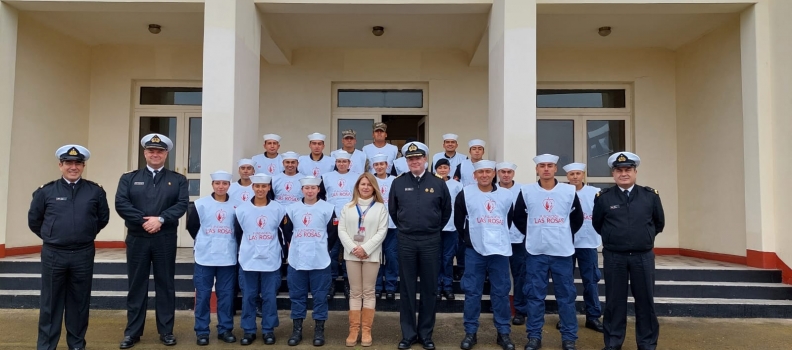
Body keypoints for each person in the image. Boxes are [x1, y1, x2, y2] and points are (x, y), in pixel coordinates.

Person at [28, 145, 109, 350]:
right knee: (50, 303)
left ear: (83, 166)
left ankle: (76, 345)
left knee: (79, 304)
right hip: (54, 254)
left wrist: (84, 234)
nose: (73, 167)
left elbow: (102, 219)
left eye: (78, 163)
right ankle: (46, 346)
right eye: (69, 163)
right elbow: (34, 221)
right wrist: (53, 236)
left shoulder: (95, 191)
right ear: (60, 165)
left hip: (82, 254)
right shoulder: (46, 191)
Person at [115, 133, 189, 349]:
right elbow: (122, 203)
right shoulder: (129, 178)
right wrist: (144, 221)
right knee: (136, 285)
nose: (155, 154)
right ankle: (133, 332)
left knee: (165, 285)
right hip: (138, 238)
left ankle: (166, 331)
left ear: (166, 154)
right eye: (151, 151)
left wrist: (161, 219)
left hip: (164, 238)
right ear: (145, 153)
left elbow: (182, 204)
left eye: (160, 151)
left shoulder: (178, 179)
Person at [593, 152, 664, 350]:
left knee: (646, 302)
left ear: (635, 172)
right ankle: (613, 343)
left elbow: (658, 223)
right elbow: (598, 224)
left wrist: (643, 239)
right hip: (615, 257)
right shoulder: (604, 198)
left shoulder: (650, 196)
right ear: (613, 174)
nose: (623, 174)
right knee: (615, 302)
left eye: (628, 170)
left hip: (643, 256)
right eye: (619, 170)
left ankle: (647, 343)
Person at [513, 154, 584, 350]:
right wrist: (536, 233)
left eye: (550, 165)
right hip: (536, 252)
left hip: (562, 252)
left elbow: (577, 219)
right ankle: (534, 336)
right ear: (537, 169)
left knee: (566, 296)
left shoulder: (568, 191)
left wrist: (561, 234)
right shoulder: (527, 191)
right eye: (542, 166)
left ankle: (569, 338)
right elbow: (518, 217)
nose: (546, 169)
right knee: (534, 296)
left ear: (555, 169)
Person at [388, 141, 452, 350]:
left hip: (430, 241)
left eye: (418, 158)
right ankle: (408, 334)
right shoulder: (398, 183)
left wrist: (432, 228)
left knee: (429, 288)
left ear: (425, 160)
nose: (414, 161)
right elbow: (393, 210)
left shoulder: (438, 182)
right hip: (406, 240)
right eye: (410, 159)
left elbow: (446, 211)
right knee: (406, 288)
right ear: (406, 161)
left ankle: (425, 334)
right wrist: (407, 227)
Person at [454, 160, 515, 350]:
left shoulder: (506, 195)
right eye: (480, 172)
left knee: (501, 292)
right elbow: (459, 220)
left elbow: (509, 219)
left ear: (493, 174)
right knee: (472, 292)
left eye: (488, 171)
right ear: (475, 175)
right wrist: (469, 240)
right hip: (474, 250)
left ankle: (503, 333)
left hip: (499, 251)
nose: (484, 175)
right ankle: (470, 332)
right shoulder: (465, 193)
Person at [281, 176, 339, 347]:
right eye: (307, 188)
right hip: (297, 259)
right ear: (302, 190)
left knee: (320, 297)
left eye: (313, 188)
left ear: (318, 190)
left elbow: (333, 233)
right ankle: (297, 330)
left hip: (320, 259)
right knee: (297, 296)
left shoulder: (328, 208)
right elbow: (287, 231)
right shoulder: (292, 209)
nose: (310, 191)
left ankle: (319, 330)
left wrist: (321, 247)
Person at [186, 170, 239, 346]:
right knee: (203, 295)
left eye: (224, 183)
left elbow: (239, 229)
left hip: (227, 256)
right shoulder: (201, 204)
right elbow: (192, 226)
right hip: (205, 256)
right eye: (218, 183)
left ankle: (225, 329)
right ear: (212, 185)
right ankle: (202, 331)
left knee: (226, 295)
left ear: (229, 186)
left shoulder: (237, 205)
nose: (221, 186)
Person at [233, 173, 286, 345]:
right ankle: (248, 330)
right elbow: (238, 234)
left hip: (270, 259)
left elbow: (282, 233)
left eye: (264, 186)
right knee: (249, 296)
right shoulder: (241, 209)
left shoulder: (278, 208)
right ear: (252, 187)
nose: (260, 189)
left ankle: (268, 330)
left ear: (269, 187)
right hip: (249, 259)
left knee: (269, 296)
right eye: (257, 186)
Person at [338, 173, 389, 347]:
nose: (365, 187)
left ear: (374, 187)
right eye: (362, 184)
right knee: (355, 292)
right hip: (352, 254)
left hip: (371, 255)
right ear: (357, 187)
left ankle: (366, 330)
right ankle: (354, 330)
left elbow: (382, 232)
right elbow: (342, 231)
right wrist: (354, 248)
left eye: (369, 184)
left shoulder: (381, 208)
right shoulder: (348, 207)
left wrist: (365, 248)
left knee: (368, 292)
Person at [558, 162, 604, 333]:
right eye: (571, 174)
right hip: (565, 243)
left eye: (578, 173)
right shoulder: (561, 192)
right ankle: (566, 318)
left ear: (583, 175)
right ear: (567, 177)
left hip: (588, 242)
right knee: (565, 282)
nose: (575, 177)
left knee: (591, 281)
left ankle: (593, 316)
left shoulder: (595, 193)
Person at [320, 150, 360, 298]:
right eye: (339, 161)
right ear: (335, 163)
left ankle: (348, 282)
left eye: (344, 161)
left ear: (350, 163)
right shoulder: (326, 177)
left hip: (352, 219)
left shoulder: (357, 177)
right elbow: (321, 197)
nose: (342, 164)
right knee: (332, 252)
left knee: (350, 252)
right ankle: (331, 282)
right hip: (332, 220)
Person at [495, 161, 527, 325]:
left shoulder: (524, 190)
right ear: (498, 173)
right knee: (499, 276)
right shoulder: (491, 189)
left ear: (513, 174)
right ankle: (501, 310)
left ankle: (520, 310)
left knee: (519, 275)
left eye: (508, 172)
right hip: (497, 240)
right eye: (502, 172)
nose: (506, 175)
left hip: (518, 238)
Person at [371, 154, 399, 301]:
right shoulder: (370, 180)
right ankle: (376, 286)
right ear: (373, 166)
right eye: (376, 164)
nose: (379, 167)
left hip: (392, 225)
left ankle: (390, 286)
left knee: (391, 255)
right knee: (375, 256)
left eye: (382, 164)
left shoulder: (395, 180)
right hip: (373, 225)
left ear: (387, 165)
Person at [434, 158, 463, 301]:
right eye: (439, 168)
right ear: (435, 170)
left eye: (445, 167)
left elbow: (460, 206)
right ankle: (437, 287)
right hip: (435, 228)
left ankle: (448, 286)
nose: (442, 170)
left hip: (451, 227)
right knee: (436, 258)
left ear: (449, 169)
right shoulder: (432, 183)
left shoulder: (456, 185)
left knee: (448, 258)